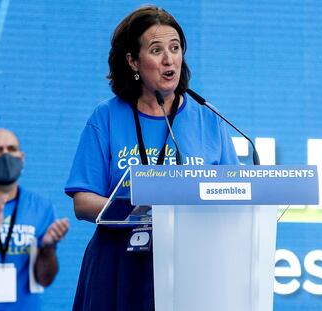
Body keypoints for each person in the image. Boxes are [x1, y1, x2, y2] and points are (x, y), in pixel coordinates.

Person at [65, 5, 239, 311]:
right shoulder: (105, 117)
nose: (168, 59)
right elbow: (82, 201)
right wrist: (139, 209)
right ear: (133, 60)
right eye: (156, 50)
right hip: (117, 266)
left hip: (189, 265)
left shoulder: (209, 121)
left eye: (175, 48)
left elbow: (234, 195)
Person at [0, 128, 69, 311]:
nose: (6, 155)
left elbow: (44, 279)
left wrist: (47, 249)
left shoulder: (41, 207)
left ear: (22, 157)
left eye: (11, 149)